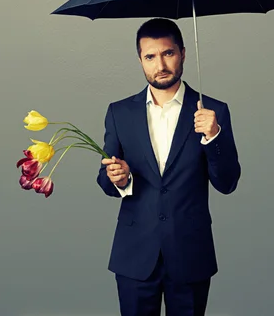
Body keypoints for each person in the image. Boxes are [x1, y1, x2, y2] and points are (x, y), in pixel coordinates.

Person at [97, 18, 241, 316]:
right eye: (150, 56)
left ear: (183, 54)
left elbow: (227, 182)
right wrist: (119, 179)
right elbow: (104, 178)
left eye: (168, 53)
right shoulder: (119, 112)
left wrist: (213, 136)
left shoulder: (214, 111)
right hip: (135, 255)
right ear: (140, 60)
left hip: (190, 253)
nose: (159, 64)